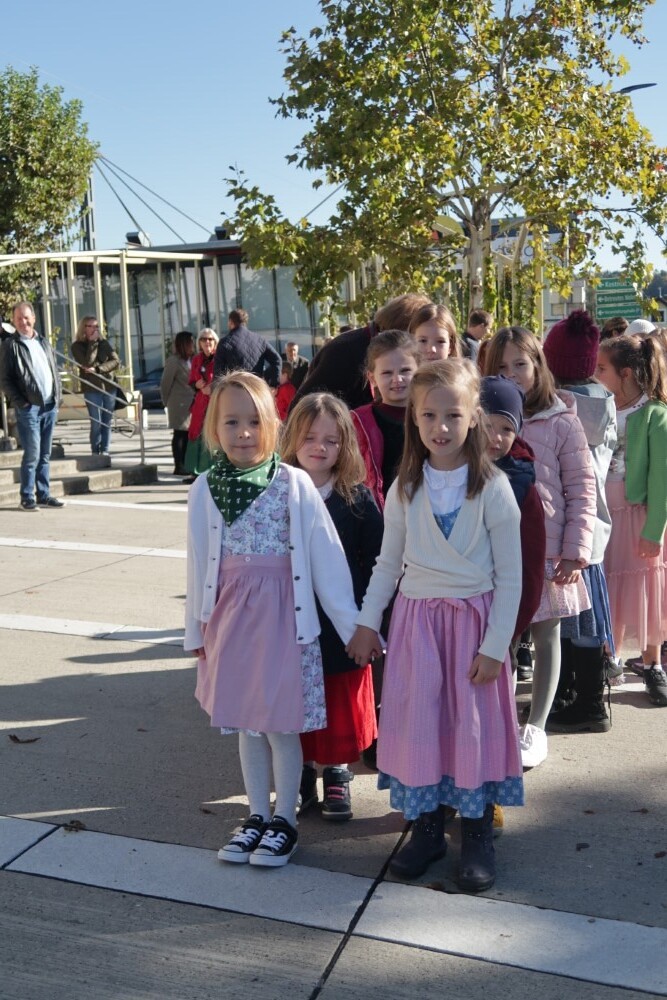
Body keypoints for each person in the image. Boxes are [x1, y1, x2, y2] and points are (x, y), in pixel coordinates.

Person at [347, 359, 523, 892]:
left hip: (472, 627)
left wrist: (495, 646)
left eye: (453, 415)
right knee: (421, 724)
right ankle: (426, 831)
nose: (440, 427)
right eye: (429, 415)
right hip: (418, 626)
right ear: (414, 420)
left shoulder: (493, 489)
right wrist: (367, 622)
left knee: (472, 729)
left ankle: (476, 833)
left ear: (473, 418)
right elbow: (387, 564)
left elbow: (511, 577)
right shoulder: (406, 488)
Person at [185, 371, 359, 867]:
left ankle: (285, 820)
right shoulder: (204, 489)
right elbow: (197, 565)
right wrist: (195, 629)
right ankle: (256, 815)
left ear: (273, 424)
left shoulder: (294, 484)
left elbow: (328, 561)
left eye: (254, 421)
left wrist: (354, 628)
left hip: (286, 621)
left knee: (282, 727)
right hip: (230, 623)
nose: (244, 432)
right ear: (214, 428)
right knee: (248, 726)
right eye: (231, 422)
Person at [484, 327, 597, 768]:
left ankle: (536, 726)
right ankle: (499, 719)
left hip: (548, 552)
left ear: (538, 366)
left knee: (547, 636)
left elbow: (582, 489)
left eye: (520, 364)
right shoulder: (482, 417)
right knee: (501, 637)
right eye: (501, 367)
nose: (511, 374)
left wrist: (575, 550)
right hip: (494, 550)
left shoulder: (562, 420)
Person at [281, 393, 382, 821]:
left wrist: (370, 623)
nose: (319, 447)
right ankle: (300, 771)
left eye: (331, 440)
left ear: (345, 446)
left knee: (338, 702)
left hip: (343, 624)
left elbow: (379, 562)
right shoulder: (277, 493)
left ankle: (337, 772)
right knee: (295, 700)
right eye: (309, 437)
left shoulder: (356, 499)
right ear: (292, 438)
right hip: (290, 619)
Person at [542, 312, 618, 733]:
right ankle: (575, 694)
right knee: (580, 621)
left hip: (570, 533)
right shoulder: (604, 401)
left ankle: (588, 703)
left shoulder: (562, 409)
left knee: (574, 622)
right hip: (593, 532)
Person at [595, 334, 667, 707]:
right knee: (609, 586)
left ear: (624, 373)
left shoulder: (655, 414)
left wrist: (654, 530)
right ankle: (610, 658)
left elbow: (661, 478)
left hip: (638, 516)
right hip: (604, 514)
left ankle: (652, 663)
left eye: (601, 368)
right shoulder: (602, 406)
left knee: (644, 589)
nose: (595, 374)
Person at [480, 376, 546, 652]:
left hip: (503, 619)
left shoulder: (523, 488)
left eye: (506, 429)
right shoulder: (451, 471)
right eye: (487, 425)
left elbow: (531, 566)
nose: (495, 437)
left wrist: (511, 627)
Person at [292, 293, 431, 411]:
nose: (427, 348)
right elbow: (304, 408)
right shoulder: (346, 351)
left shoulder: (366, 344)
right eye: (422, 339)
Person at [0, 302, 63, 511]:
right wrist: (22, 403)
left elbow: (54, 371)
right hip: (29, 408)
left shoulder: (43, 342)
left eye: (26, 317)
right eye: (18, 318)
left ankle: (43, 494)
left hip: (49, 405)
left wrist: (58, 397)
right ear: (13, 321)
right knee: (32, 453)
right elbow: (4, 380)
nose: (23, 322)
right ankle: (27, 497)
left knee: (45, 454)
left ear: (34, 318)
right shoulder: (10, 345)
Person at [351, 329, 420, 511]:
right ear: (372, 378)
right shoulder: (358, 423)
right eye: (387, 373)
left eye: (405, 370)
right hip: (376, 514)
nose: (397, 379)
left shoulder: (431, 416)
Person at [71, 316, 120, 457]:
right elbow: (87, 363)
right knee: (96, 422)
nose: (95, 329)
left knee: (106, 421)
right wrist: (92, 343)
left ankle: (105, 450)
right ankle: (95, 450)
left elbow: (116, 361)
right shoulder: (77, 346)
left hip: (109, 386)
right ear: (83, 328)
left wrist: (99, 369)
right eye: (91, 326)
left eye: (97, 326)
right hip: (92, 388)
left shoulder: (104, 343)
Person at [183, 328, 218, 481]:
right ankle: (195, 472)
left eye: (210, 339)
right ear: (199, 343)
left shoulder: (220, 358)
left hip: (215, 401)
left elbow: (225, 377)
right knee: (196, 433)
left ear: (215, 342)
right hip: (200, 403)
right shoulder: (197, 359)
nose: (207, 342)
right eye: (203, 339)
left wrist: (213, 387)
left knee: (212, 434)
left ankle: (212, 470)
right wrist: (196, 385)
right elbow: (191, 380)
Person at [213, 308, 281, 387]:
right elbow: (277, 360)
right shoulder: (260, 340)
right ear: (245, 322)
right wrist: (273, 384)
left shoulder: (225, 342)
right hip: (256, 388)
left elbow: (218, 373)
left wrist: (216, 390)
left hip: (235, 388)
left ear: (231, 322)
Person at [160, 331, 195, 475]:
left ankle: (186, 464)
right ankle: (179, 465)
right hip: (178, 403)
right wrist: (165, 401)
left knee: (187, 435)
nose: (193, 344)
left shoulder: (191, 360)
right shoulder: (174, 361)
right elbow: (165, 383)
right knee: (179, 433)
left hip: (190, 403)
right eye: (190, 342)